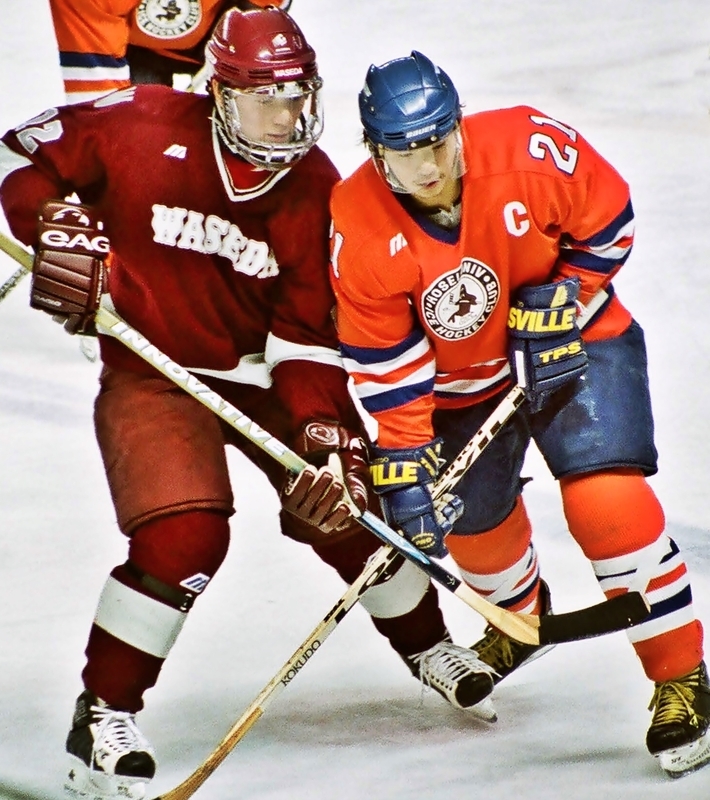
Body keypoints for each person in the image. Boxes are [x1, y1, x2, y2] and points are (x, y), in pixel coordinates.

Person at [0, 17, 495, 800]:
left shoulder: (319, 191)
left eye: (299, 98)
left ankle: (429, 645)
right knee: (184, 534)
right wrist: (53, 223)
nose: (287, 118)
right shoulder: (139, 124)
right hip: (153, 373)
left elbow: (304, 340)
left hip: (267, 378)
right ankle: (103, 714)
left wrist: (326, 440)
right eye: (268, 99)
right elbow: (22, 156)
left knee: (346, 507)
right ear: (221, 93)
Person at [328, 50, 710, 778]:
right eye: (406, 154)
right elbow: (386, 355)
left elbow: (611, 222)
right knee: (469, 527)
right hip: (460, 381)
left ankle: (681, 680)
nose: (429, 166)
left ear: (459, 126)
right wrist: (404, 451)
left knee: (610, 504)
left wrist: (564, 292)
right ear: (375, 152)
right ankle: (520, 618)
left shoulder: (529, 149)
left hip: (577, 341)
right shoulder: (357, 219)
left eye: (439, 143)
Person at [48, 0, 292, 104]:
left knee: (250, 118)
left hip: (223, 31)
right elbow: (99, 110)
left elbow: (262, 9)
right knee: (132, 140)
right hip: (133, 52)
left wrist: (237, 44)